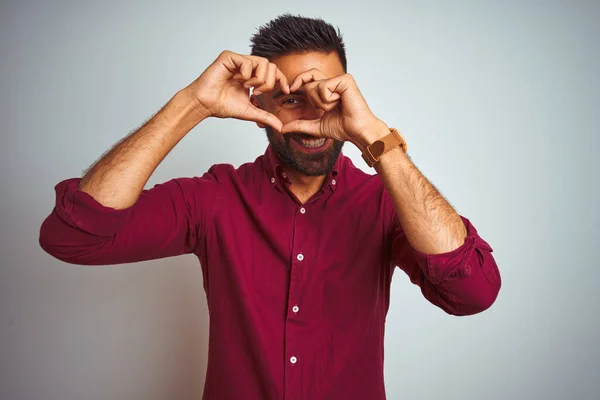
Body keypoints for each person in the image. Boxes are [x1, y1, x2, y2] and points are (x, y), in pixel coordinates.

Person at [39, 14, 501, 400]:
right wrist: (194, 104)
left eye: (327, 97)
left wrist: (377, 140)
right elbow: (73, 236)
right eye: (292, 101)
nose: (312, 119)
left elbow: (473, 293)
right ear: (257, 101)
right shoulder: (215, 196)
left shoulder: (385, 203)